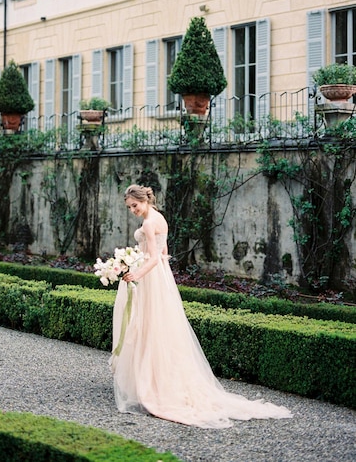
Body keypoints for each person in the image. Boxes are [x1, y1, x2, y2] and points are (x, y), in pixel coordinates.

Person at [110, 184, 293, 429]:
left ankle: (152, 383)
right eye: (130, 207)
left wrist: (136, 273)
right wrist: (136, 259)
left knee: (148, 326)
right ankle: (156, 377)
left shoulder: (147, 223)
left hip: (150, 276)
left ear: (145, 200)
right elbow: (164, 251)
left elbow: (154, 257)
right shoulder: (159, 218)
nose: (133, 210)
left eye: (135, 205)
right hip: (161, 277)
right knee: (158, 326)